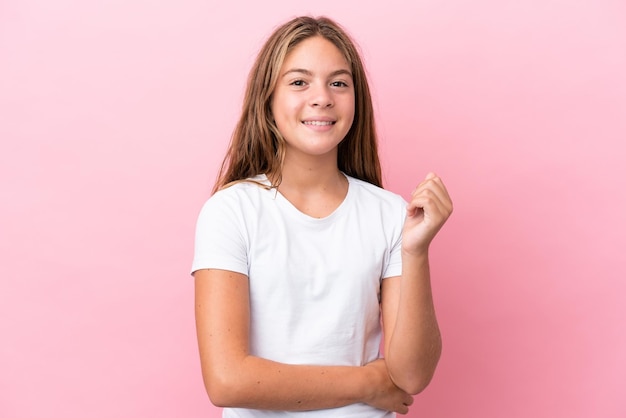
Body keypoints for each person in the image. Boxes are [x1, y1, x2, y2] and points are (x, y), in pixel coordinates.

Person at [191, 15, 453, 417]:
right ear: (268, 99)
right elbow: (228, 379)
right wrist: (369, 381)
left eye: (339, 83)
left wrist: (416, 252)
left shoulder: (389, 214)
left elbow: (412, 376)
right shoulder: (231, 211)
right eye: (299, 82)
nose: (322, 97)